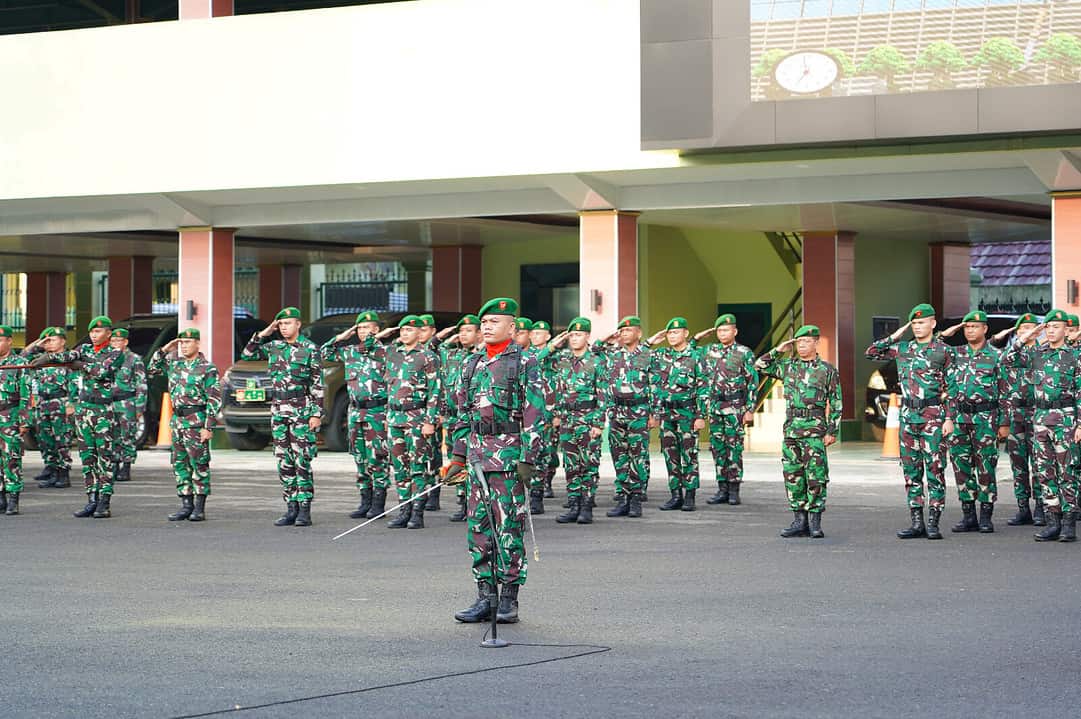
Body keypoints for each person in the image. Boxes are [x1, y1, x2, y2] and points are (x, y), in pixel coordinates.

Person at [445, 297, 544, 625]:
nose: (487, 327)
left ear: (512, 327)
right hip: (476, 457)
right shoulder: (470, 364)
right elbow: (462, 413)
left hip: (509, 457)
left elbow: (535, 412)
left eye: (495, 322)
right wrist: (457, 456)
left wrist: (528, 458)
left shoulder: (525, 362)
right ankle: (484, 596)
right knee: (479, 528)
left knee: (507, 527)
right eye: (484, 323)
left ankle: (509, 598)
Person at [866, 303, 951, 540]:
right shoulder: (903, 348)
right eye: (914, 323)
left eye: (922, 322)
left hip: (933, 416)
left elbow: (953, 387)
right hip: (908, 417)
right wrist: (896, 334)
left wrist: (950, 418)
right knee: (911, 472)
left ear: (933, 324)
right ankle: (917, 522)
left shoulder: (943, 352)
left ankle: (933, 521)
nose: (917, 326)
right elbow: (871, 352)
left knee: (935, 469)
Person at [241, 307, 324, 527]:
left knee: (301, 459)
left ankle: (305, 508)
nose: (284, 327)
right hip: (279, 409)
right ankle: (291, 507)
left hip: (301, 410)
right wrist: (265, 332)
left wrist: (316, 414)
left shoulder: (310, 349)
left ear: (298, 324)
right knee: (284, 460)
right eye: (281, 324)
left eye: (288, 323)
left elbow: (317, 384)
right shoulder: (274, 347)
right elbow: (247, 354)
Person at [756, 325, 841, 539]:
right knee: (793, 475)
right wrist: (778, 350)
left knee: (816, 476)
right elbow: (759, 365)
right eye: (798, 342)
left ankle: (814, 521)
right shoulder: (788, 366)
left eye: (806, 341)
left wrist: (832, 430)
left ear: (816, 342)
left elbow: (837, 402)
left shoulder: (827, 370)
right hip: (792, 430)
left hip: (815, 429)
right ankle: (799, 520)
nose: (801, 345)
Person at [38, 316, 125, 519]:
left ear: (108, 333)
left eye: (98, 331)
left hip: (103, 411)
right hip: (84, 409)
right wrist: (47, 358)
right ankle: (91, 499)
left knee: (104, 458)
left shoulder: (114, 353)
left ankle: (104, 501)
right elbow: (68, 356)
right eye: (92, 332)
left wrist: (81, 365)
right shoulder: (85, 349)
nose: (94, 335)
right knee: (88, 458)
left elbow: (101, 371)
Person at [1006, 310, 1081, 542]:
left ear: (1065, 329)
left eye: (1055, 327)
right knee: (1045, 473)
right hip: (1040, 418)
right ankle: (1053, 522)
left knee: (1067, 472)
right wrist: (1028, 336)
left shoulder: (1074, 356)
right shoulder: (1036, 354)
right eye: (1047, 327)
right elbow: (1006, 359)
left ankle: (1069, 524)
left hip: (1065, 418)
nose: (1051, 330)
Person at [938, 311, 1009, 533]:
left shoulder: (996, 356)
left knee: (986, 466)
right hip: (959, 418)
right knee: (961, 466)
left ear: (985, 329)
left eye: (974, 327)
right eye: (966, 327)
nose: (970, 331)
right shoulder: (955, 353)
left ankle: (986, 515)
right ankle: (968, 515)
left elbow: (1006, 391)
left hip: (986, 419)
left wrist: (1004, 422)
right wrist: (947, 332)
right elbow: (932, 345)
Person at [147, 328, 223, 522]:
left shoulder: (207, 368)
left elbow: (213, 399)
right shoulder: (175, 365)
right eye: (182, 343)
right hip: (178, 422)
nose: (184, 346)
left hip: (196, 422)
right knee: (180, 464)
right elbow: (152, 368)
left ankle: (199, 506)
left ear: (197, 343)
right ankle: (186, 504)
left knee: (199, 464)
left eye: (188, 342)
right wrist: (166, 348)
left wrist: (208, 426)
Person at [322, 311, 390, 520]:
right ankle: (365, 501)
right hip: (355, 412)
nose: (363, 332)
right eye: (359, 328)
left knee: (377, 457)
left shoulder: (386, 352)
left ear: (376, 330)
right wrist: (341, 337)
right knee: (360, 458)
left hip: (376, 411)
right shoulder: (350, 351)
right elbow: (324, 353)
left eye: (367, 328)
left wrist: (375, 339)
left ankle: (379, 503)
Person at [378, 315, 440, 529]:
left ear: (419, 332)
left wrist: (430, 421)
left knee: (418, 466)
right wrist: (387, 416)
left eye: (409, 330)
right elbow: (389, 388)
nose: (405, 333)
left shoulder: (427, 356)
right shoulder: (392, 354)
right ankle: (403, 509)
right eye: (402, 330)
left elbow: (435, 391)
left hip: (417, 417)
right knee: (399, 467)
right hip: (395, 418)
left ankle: (417, 512)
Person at [547, 318, 607, 525]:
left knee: (589, 464)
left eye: (579, 335)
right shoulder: (563, 359)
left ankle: (587, 506)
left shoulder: (597, 361)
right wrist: (553, 344)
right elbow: (539, 361)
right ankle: (573, 505)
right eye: (571, 335)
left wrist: (598, 424)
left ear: (588, 336)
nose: (574, 339)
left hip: (588, 419)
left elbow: (603, 395)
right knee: (571, 464)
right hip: (567, 419)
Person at [694, 314, 758, 506]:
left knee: (734, 448)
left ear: (735, 331)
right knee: (717, 448)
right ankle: (721, 488)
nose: (723, 333)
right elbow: (687, 349)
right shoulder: (709, 350)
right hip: (715, 407)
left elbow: (752, 381)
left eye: (726, 330)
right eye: (720, 330)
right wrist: (698, 337)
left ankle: (734, 489)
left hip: (735, 407)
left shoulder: (744, 352)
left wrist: (750, 408)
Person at [595, 316, 652, 514]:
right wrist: (608, 337)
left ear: (639, 333)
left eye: (629, 330)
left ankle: (636, 500)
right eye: (622, 331)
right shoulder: (613, 354)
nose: (624, 333)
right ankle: (623, 499)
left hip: (639, 412)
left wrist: (654, 414)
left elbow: (656, 386)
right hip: (616, 412)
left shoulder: (648, 355)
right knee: (619, 456)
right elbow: (594, 349)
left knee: (637, 456)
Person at [649, 317, 707, 512]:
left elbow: (703, 387)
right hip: (666, 413)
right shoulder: (661, 355)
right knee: (670, 455)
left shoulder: (696, 356)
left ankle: (690, 495)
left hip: (688, 412)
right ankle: (675, 495)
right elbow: (637, 358)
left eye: (676, 332)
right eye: (669, 333)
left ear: (686, 334)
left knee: (689, 454)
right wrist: (650, 342)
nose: (672, 336)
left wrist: (701, 415)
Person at [993, 313, 1043, 526]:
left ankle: (1041, 507)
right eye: (1022, 328)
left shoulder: (1044, 352)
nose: (1026, 331)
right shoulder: (1011, 354)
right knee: (1019, 464)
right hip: (1016, 416)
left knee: (1041, 464)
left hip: (1038, 414)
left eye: (1031, 328)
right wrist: (1003, 422)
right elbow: (1003, 390)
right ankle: (1023, 508)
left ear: (1038, 330)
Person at [21, 327, 75, 489]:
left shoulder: (68, 358)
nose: (49, 343)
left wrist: (72, 402)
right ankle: (52, 470)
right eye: (46, 340)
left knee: (62, 439)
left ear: (63, 341)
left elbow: (76, 382)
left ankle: (63, 474)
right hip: (42, 402)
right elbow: (23, 357)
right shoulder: (40, 358)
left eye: (52, 339)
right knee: (45, 438)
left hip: (60, 401)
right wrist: (38, 344)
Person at [439, 314, 481, 522]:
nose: (463, 335)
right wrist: (450, 335)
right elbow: (434, 346)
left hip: (473, 418)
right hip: (453, 418)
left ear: (479, 333)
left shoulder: (483, 356)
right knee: (456, 459)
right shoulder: (452, 355)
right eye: (461, 331)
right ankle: (462, 502)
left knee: (475, 460)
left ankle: (475, 502)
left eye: (468, 331)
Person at [109, 327, 147, 482]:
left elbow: (141, 384)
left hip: (127, 403)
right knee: (112, 435)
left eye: (118, 340)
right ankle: (114, 465)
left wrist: (140, 407)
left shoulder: (134, 359)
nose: (115, 343)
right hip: (110, 402)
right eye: (112, 340)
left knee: (127, 435)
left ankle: (126, 467)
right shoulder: (107, 358)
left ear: (125, 342)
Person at [0, 325, 29, 516]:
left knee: (11, 458)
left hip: (10, 415)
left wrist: (24, 419)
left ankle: (13, 498)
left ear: (10, 341)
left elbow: (27, 394)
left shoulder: (19, 363)